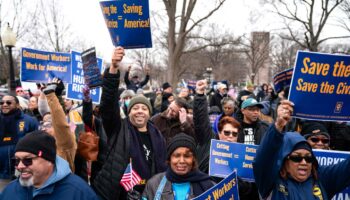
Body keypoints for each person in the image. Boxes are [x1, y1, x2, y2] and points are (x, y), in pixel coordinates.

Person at [92, 47, 167, 200]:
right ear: (129, 111)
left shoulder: (157, 134)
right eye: (135, 108)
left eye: (144, 108)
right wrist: (113, 68)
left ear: (149, 113)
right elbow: (107, 104)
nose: (140, 111)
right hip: (118, 193)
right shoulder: (119, 128)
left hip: (149, 194)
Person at [253, 100, 350, 200]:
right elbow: (263, 159)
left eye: (308, 158)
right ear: (284, 159)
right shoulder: (271, 180)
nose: (304, 162)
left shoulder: (321, 178)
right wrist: (279, 125)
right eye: (297, 157)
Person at [193, 80, 259, 200]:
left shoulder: (242, 154)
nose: (230, 136)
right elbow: (201, 122)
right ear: (219, 132)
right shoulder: (209, 144)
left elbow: (249, 187)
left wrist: (237, 182)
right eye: (227, 132)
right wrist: (200, 95)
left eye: (234, 134)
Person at [0, 130, 98, 199]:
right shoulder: (10, 190)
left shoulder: (79, 192)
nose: (20, 166)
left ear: (49, 160)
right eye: (16, 161)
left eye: (28, 160)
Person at [142, 133, 215, 199]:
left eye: (187, 156)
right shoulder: (154, 184)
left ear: (193, 159)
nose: (182, 161)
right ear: (169, 158)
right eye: (177, 156)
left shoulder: (210, 187)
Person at [0, 95, 38, 188]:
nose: (4, 104)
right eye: (2, 103)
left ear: (17, 105)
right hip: (1, 175)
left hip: (24, 171)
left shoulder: (29, 120)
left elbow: (36, 144)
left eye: (8, 102)